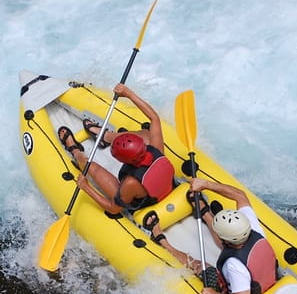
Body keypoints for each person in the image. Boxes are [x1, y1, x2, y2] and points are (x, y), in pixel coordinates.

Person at [59, 83, 198, 270]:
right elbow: (154, 117)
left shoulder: (131, 183)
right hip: (169, 187)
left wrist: (86, 188)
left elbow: (113, 208)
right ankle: (104, 135)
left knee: (94, 169)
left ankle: (75, 151)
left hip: (146, 202)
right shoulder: (156, 148)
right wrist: (129, 94)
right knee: (146, 133)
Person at [188, 177, 278, 294]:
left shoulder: (233, 265)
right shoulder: (253, 227)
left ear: (225, 240)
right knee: (231, 242)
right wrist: (206, 184)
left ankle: (162, 241)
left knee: (201, 267)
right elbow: (240, 196)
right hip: (265, 277)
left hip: (249, 292)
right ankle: (204, 212)